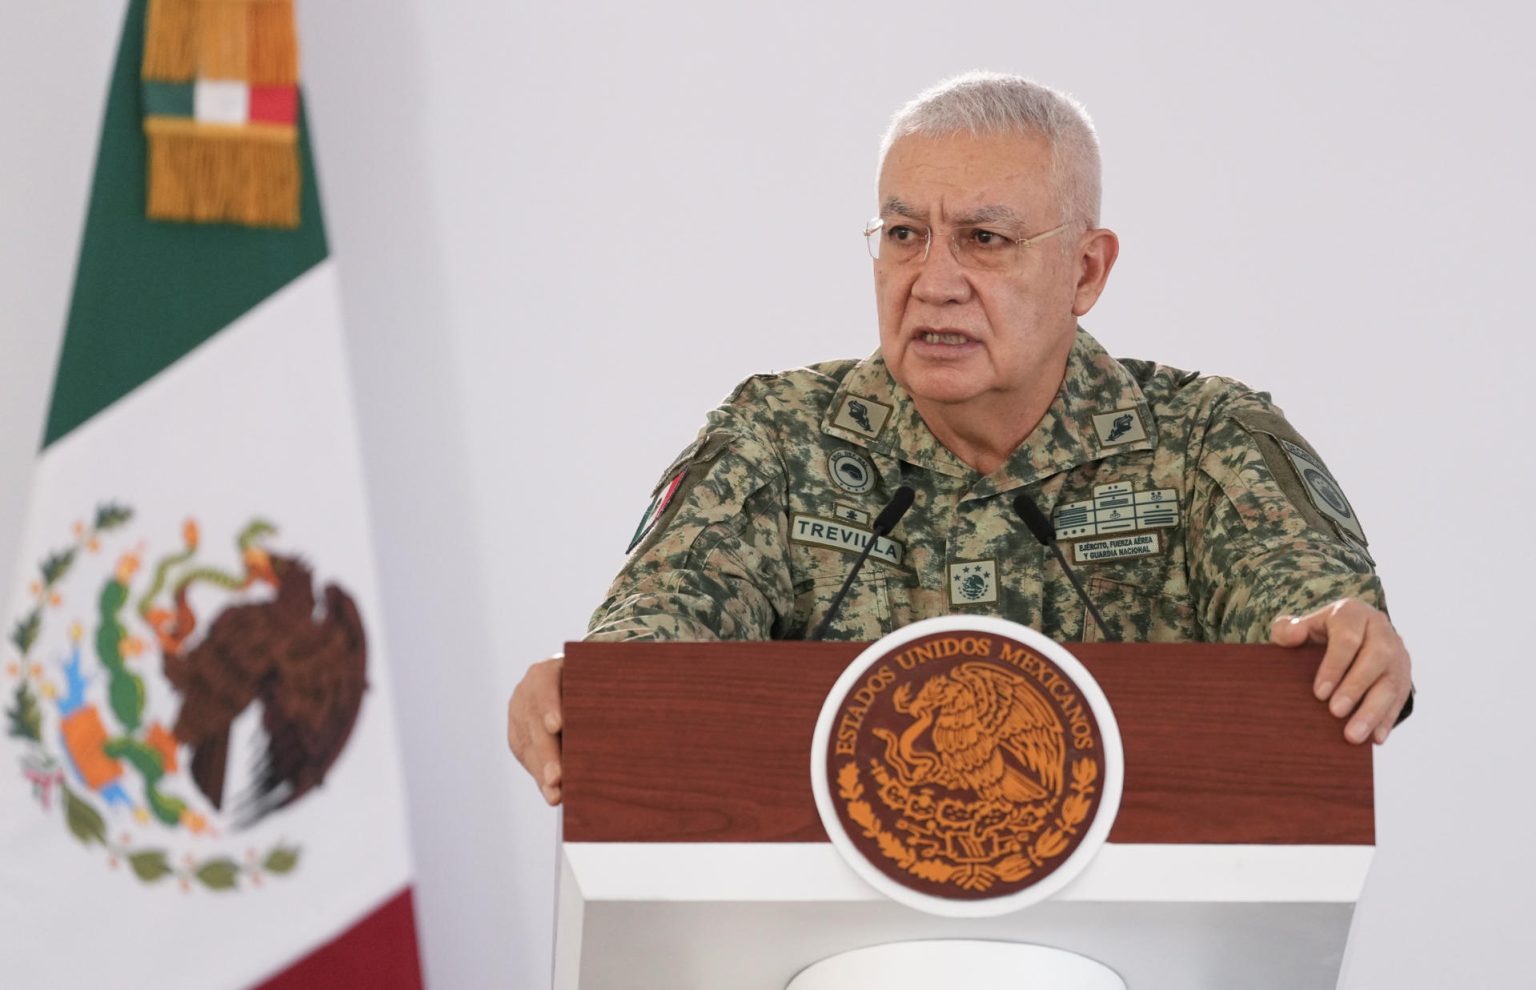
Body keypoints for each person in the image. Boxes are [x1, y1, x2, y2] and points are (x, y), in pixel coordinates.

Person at [507, 73, 1413, 806]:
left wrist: (1348, 637)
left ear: (1086, 270)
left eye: (983, 239)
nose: (932, 281)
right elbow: (653, 655)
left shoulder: (1207, 443)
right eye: (904, 234)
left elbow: (1309, 645)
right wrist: (587, 691)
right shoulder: (777, 440)